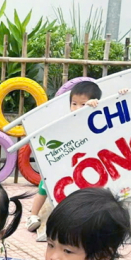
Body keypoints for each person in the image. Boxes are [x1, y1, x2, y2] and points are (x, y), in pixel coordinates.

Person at [26, 80, 104, 242]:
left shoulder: (95, 114)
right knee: (44, 185)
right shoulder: (68, 118)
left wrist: (94, 107)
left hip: (85, 163)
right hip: (64, 163)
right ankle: (33, 215)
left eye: (82, 104)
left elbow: (109, 112)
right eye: (74, 103)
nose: (76, 108)